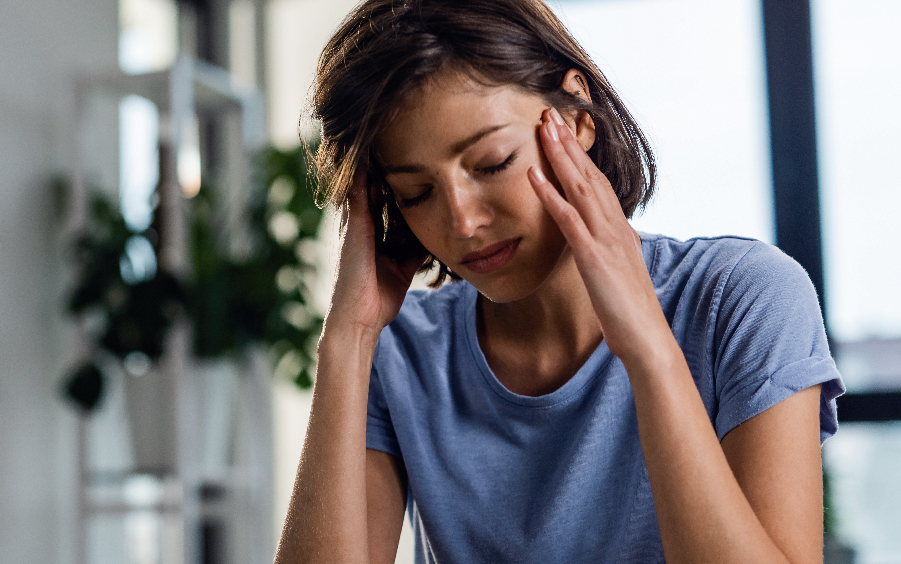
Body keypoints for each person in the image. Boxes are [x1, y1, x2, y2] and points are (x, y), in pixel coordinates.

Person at [274, 0, 845, 562]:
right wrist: (346, 341)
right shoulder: (401, 351)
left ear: (576, 114)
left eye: (492, 162)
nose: (462, 222)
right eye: (416, 194)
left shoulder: (745, 300)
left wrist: (648, 346)